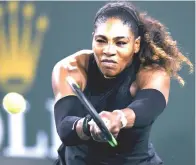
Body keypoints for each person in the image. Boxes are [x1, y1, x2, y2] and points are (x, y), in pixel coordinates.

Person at [52, 1, 193, 165]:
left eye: (120, 43)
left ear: (136, 44)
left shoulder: (153, 73)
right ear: (93, 39)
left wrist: (118, 118)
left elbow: (148, 106)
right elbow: (65, 128)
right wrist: (88, 125)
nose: (109, 51)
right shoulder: (70, 68)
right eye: (101, 40)